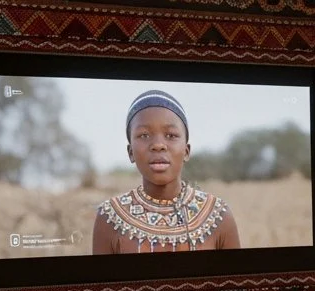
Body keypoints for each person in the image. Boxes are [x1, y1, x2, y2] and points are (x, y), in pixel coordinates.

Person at [92, 90, 241, 254]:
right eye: (144, 135)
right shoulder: (109, 218)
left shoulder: (219, 216)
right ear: (130, 152)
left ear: (186, 151)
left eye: (171, 135)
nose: (158, 145)